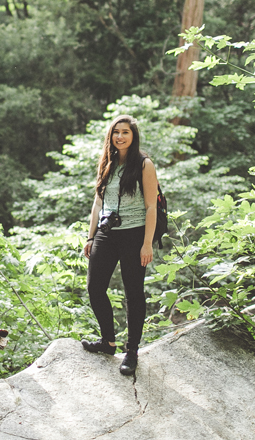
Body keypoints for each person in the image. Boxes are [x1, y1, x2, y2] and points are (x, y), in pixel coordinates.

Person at [81, 114, 158, 376]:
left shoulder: (144, 164)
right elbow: (97, 202)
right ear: (110, 136)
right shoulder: (107, 162)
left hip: (135, 234)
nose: (120, 136)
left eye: (125, 132)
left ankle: (132, 350)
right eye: (116, 132)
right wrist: (90, 237)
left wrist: (147, 243)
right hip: (106, 231)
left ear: (133, 136)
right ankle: (108, 341)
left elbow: (151, 206)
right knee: (94, 286)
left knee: (133, 292)